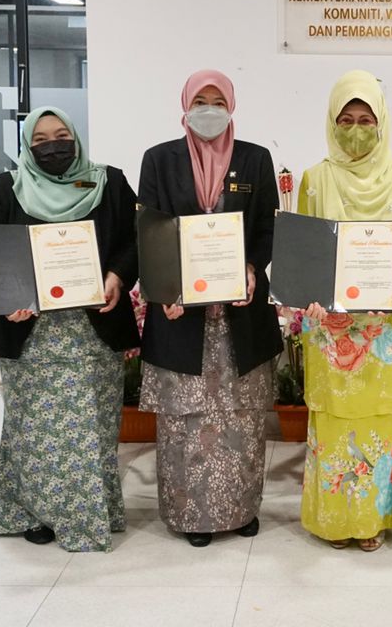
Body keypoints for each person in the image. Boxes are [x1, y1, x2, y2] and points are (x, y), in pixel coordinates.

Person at [0, 106, 138, 552]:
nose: (53, 146)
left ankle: (92, 512)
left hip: (93, 329)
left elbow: (134, 239)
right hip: (30, 332)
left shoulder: (109, 182)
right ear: (28, 146)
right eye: (41, 140)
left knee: (92, 427)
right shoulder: (6, 188)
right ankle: (37, 514)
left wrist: (117, 276)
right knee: (34, 430)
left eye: (61, 135)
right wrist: (8, 298)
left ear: (76, 138)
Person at [139, 70, 282, 547]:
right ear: (184, 104)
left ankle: (241, 511)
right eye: (199, 100)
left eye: (217, 101)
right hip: (182, 312)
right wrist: (166, 288)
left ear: (231, 105)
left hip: (240, 311)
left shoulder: (255, 158)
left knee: (242, 417)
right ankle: (191, 517)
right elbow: (151, 229)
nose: (208, 109)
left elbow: (267, 227)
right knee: (185, 419)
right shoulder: (159, 159)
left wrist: (251, 266)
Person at [297, 69, 392, 552]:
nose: (356, 129)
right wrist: (308, 291)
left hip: (382, 331)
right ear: (332, 122)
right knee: (334, 424)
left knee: (379, 424)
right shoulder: (314, 178)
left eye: (365, 119)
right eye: (346, 120)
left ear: (381, 122)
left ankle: (372, 520)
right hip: (330, 333)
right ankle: (334, 521)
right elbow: (304, 251)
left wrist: (391, 288)